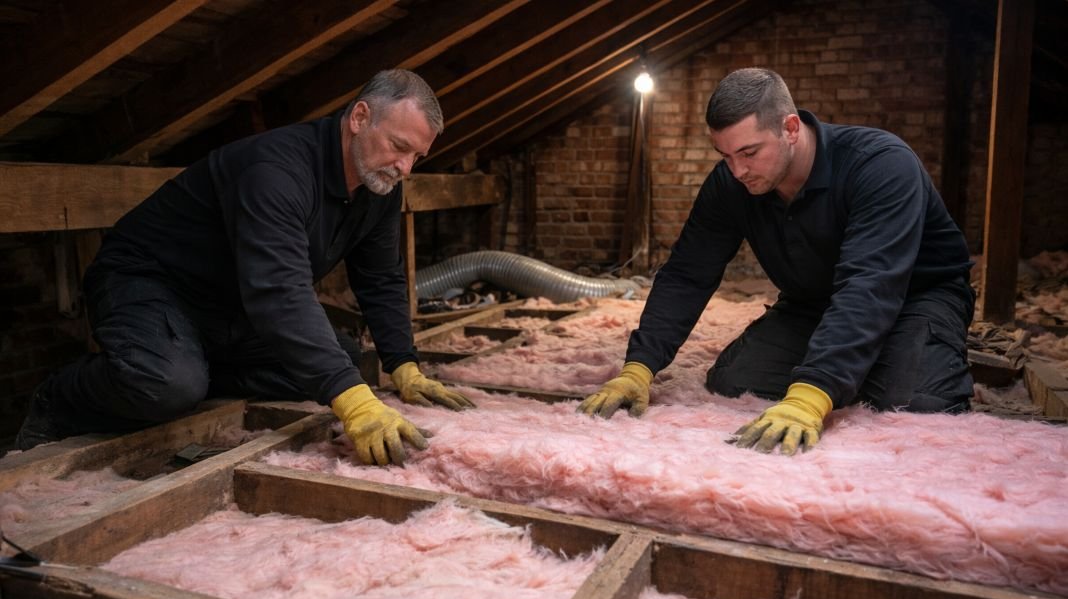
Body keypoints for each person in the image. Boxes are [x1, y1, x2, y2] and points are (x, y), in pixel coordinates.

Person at [16, 68, 473, 465]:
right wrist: (354, 403)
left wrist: (403, 364)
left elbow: (380, 277)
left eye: (417, 156)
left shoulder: (380, 188)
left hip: (231, 303)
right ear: (359, 118)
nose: (406, 168)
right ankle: (59, 399)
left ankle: (193, 366)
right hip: (151, 282)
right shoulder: (276, 169)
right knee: (166, 384)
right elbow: (279, 290)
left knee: (345, 359)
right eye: (399, 146)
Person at [580, 67, 974, 455]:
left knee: (920, 403)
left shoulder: (880, 164)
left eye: (750, 153)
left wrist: (809, 397)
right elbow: (687, 274)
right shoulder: (731, 183)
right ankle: (856, 360)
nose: (738, 170)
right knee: (733, 380)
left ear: (790, 128)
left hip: (915, 298)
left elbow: (871, 283)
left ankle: (882, 359)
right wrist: (639, 367)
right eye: (726, 155)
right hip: (812, 304)